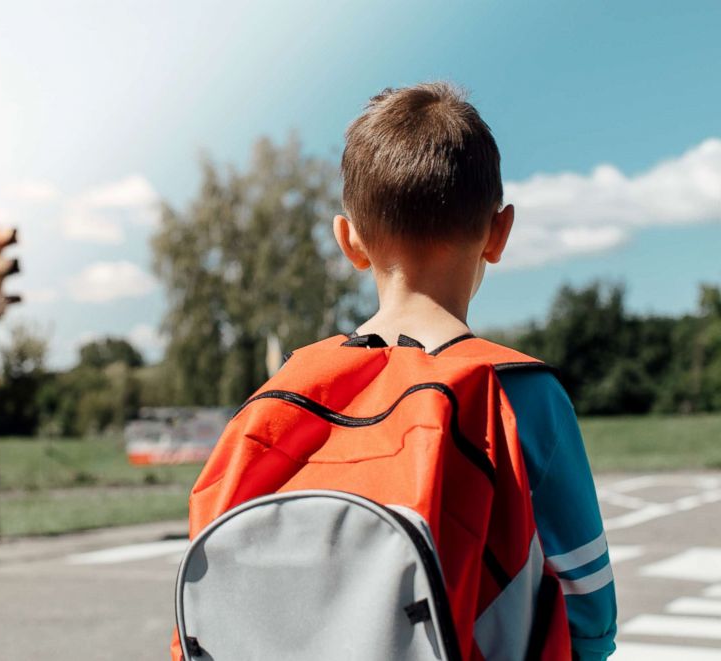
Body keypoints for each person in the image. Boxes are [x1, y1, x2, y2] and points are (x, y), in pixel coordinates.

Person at [173, 83, 616, 660]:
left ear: (349, 240)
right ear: (499, 232)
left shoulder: (279, 398)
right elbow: (589, 614)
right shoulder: (519, 394)